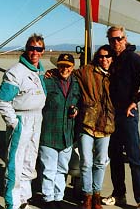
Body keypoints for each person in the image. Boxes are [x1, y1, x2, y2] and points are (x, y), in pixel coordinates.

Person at [102, 26, 140, 209]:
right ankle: (119, 195)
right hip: (112, 115)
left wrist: (135, 100)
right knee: (115, 155)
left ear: (125, 39)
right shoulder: (111, 59)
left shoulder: (134, 59)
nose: (115, 43)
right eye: (112, 39)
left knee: (134, 158)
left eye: (118, 39)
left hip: (128, 114)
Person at [0, 33, 47, 209]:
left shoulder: (39, 71)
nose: (35, 52)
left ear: (43, 51)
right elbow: (1, 101)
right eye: (32, 48)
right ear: (26, 49)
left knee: (29, 162)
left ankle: (24, 200)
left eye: (38, 49)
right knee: (15, 164)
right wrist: (14, 123)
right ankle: (12, 203)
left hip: (36, 119)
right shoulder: (16, 72)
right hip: (21, 119)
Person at [73, 45, 115, 209]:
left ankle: (97, 195)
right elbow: (70, 74)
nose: (104, 59)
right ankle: (87, 196)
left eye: (108, 56)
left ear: (112, 58)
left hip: (106, 125)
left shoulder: (115, 75)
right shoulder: (87, 71)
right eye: (101, 56)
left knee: (100, 162)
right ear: (97, 58)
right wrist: (53, 72)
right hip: (88, 123)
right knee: (86, 162)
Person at [39, 53, 81, 209]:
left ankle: (59, 197)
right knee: (48, 170)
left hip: (67, 135)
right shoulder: (47, 81)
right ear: (57, 66)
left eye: (68, 66)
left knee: (62, 169)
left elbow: (78, 101)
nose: (65, 69)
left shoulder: (76, 83)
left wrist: (75, 109)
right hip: (49, 133)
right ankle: (48, 199)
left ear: (72, 68)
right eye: (62, 65)